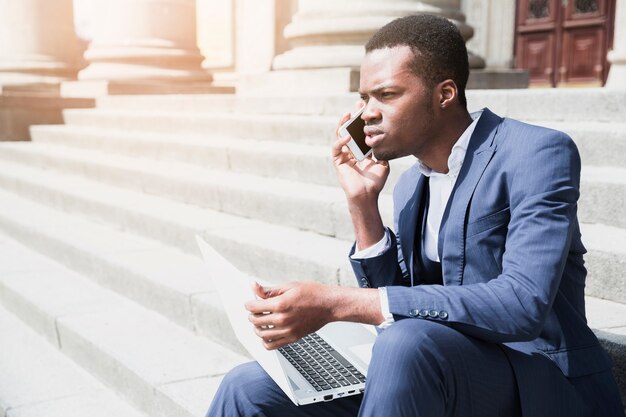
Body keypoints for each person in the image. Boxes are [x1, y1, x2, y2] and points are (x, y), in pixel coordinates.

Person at [206, 14, 624, 417]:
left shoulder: (535, 152)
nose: (367, 112)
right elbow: (400, 305)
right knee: (248, 388)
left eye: (386, 95)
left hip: (539, 379)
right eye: (364, 97)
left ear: (444, 94)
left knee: (407, 343)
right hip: (433, 366)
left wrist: (337, 303)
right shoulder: (410, 185)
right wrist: (363, 205)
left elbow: (521, 304)